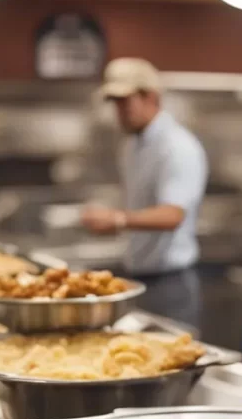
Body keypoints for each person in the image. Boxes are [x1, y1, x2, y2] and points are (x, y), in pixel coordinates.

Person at [81, 57, 208, 327]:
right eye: (114, 103)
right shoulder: (131, 146)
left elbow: (172, 215)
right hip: (137, 277)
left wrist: (117, 219)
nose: (119, 111)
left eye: (125, 101)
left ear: (150, 96)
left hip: (171, 282)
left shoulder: (177, 147)